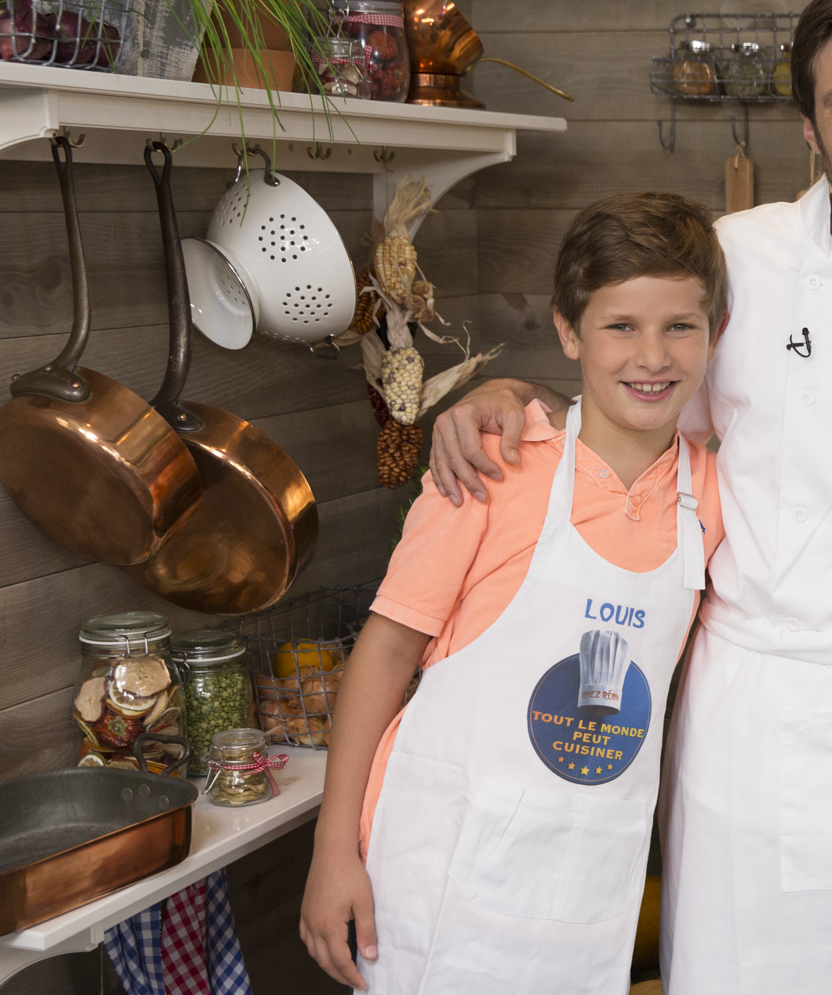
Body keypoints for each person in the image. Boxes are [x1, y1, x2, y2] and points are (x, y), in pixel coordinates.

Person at [431, 2, 832, 991]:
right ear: (810, 128)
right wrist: (514, 396)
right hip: (753, 717)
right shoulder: (733, 262)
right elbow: (632, 403)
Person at [297, 192, 728, 994]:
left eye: (680, 326)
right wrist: (332, 852)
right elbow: (385, 651)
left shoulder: (712, 494)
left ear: (716, 334)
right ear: (569, 331)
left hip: (584, 891)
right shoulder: (492, 466)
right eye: (620, 326)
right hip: (438, 873)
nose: (652, 356)